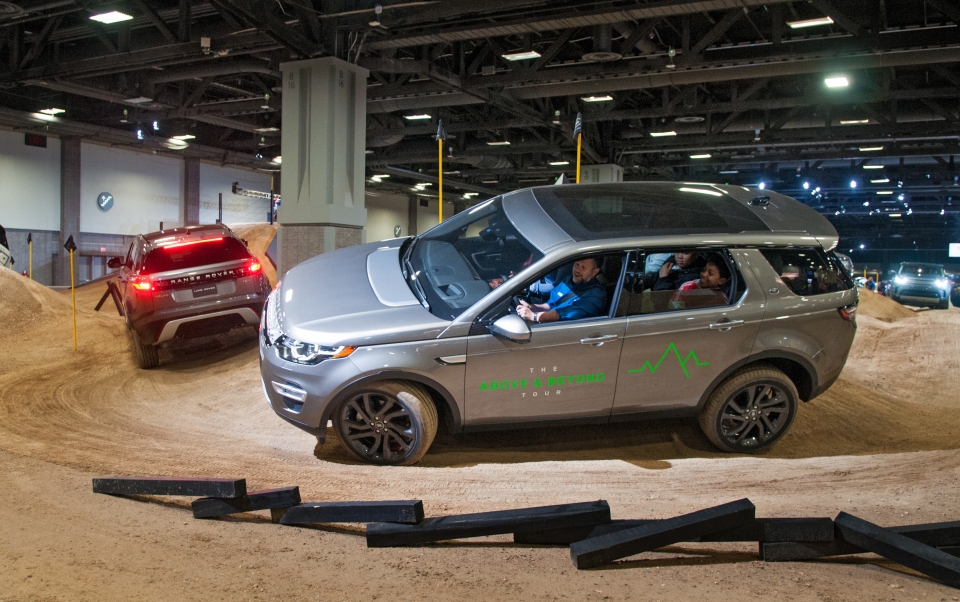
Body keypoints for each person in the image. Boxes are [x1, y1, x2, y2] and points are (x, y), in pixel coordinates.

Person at [516, 257, 605, 323]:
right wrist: (533, 307)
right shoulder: (568, 280)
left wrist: (534, 316)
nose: (577, 270)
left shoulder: (596, 295)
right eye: (577, 264)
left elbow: (566, 313)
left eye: (583, 267)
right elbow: (551, 304)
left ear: (595, 272)